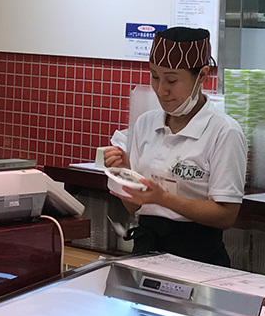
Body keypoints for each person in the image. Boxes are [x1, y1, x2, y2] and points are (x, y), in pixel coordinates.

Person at [103, 27, 247, 265]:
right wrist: (124, 174)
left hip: (198, 258)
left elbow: (226, 215)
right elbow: (134, 207)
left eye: (171, 80)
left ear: (202, 75)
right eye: (155, 77)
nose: (161, 90)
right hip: (145, 252)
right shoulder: (145, 124)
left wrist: (163, 198)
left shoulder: (224, 132)